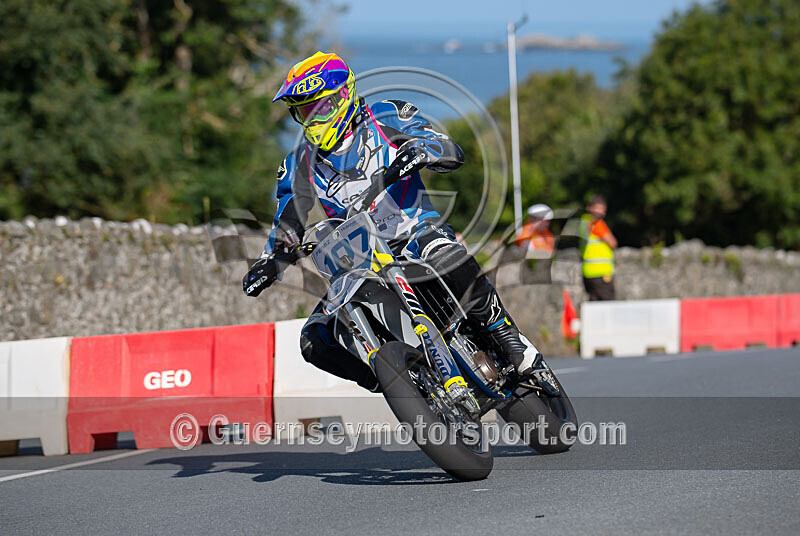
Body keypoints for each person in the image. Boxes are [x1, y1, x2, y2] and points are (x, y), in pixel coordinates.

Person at [242, 51, 542, 392]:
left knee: (445, 254)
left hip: (416, 231)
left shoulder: (386, 115)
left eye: (317, 108)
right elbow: (288, 218)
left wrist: (424, 150)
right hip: (360, 260)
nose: (311, 120)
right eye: (303, 112)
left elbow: (445, 146)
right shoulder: (298, 162)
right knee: (313, 340)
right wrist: (270, 261)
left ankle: (505, 333)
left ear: (342, 96)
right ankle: (396, 384)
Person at [579, 195, 618, 301]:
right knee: (607, 305)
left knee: (594, 305)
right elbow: (613, 243)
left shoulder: (583, 222)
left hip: (588, 272)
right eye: (598, 208)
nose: (600, 212)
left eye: (602, 209)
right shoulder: (596, 223)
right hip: (601, 272)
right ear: (589, 208)